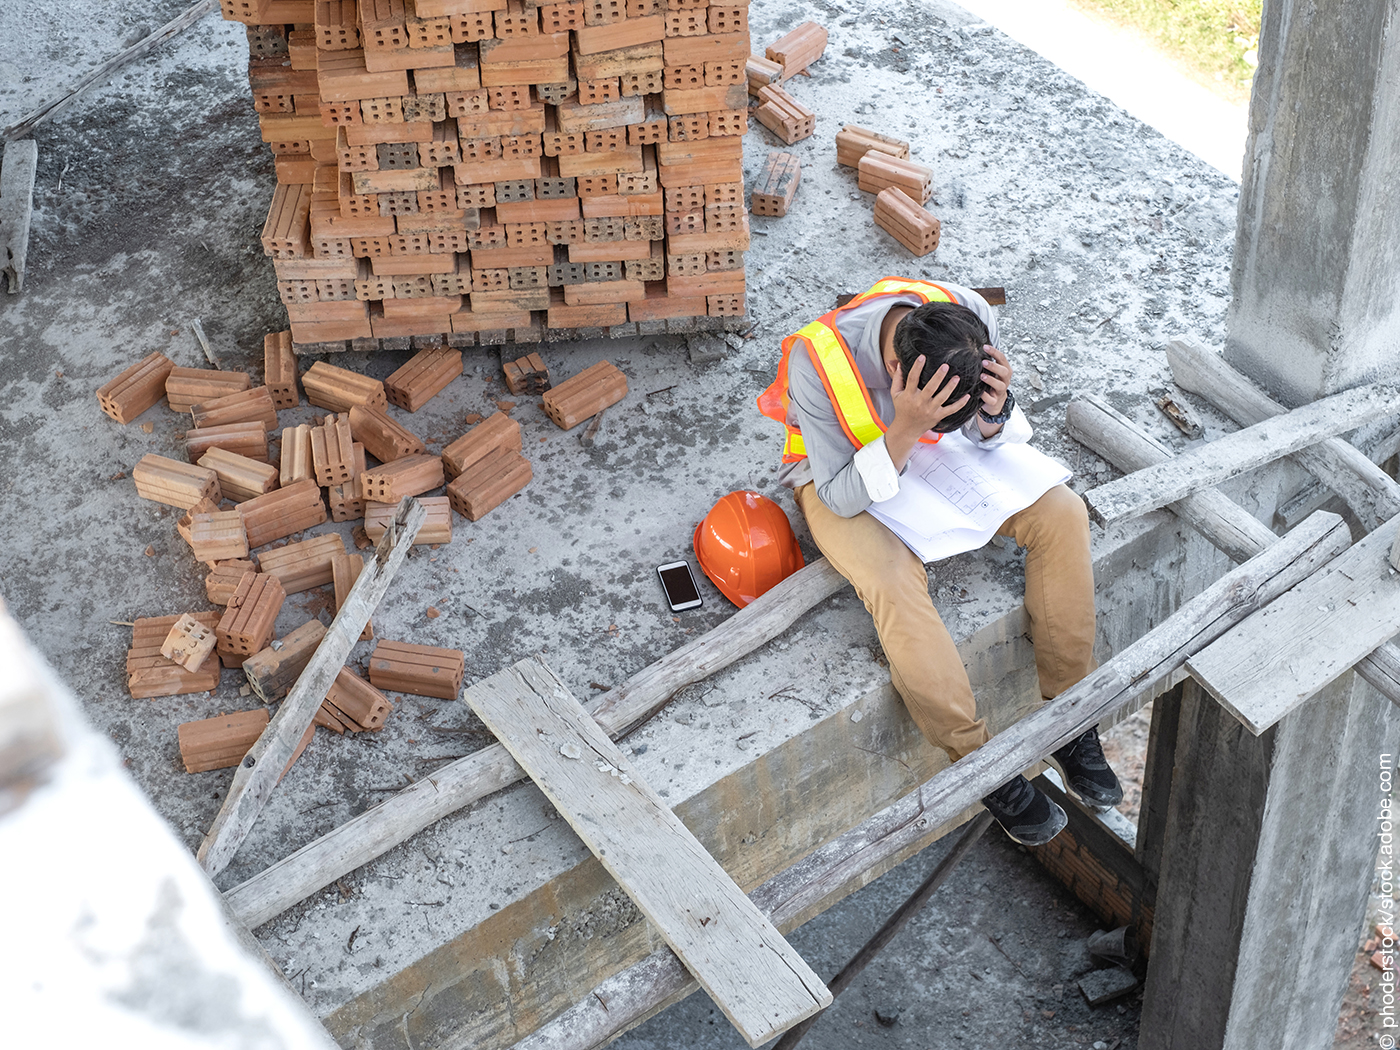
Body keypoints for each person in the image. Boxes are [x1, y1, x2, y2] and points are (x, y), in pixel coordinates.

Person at [758, 277, 1122, 845]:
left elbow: (988, 435)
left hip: (934, 450)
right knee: (892, 581)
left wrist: (993, 418)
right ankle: (979, 761)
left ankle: (1071, 716)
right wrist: (904, 428)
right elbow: (840, 495)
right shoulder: (817, 360)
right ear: (898, 375)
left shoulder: (967, 313)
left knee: (1064, 512)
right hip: (842, 476)